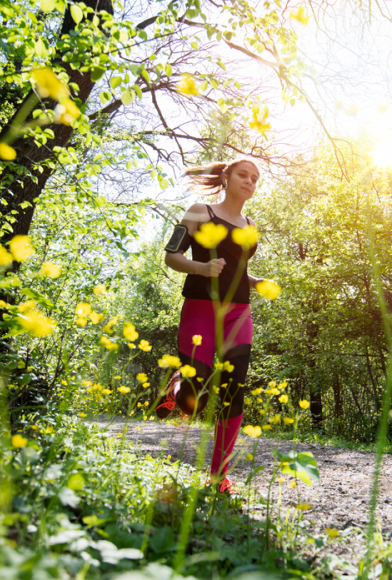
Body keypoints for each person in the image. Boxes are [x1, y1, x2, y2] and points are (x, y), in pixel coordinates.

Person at [159, 158, 271, 494]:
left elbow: (235, 270)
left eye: (255, 178)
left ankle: (218, 477)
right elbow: (170, 256)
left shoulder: (250, 225)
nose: (249, 181)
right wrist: (201, 268)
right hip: (200, 309)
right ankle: (177, 385)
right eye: (243, 174)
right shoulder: (199, 211)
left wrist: (255, 281)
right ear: (226, 176)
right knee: (196, 399)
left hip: (239, 314)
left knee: (233, 393)